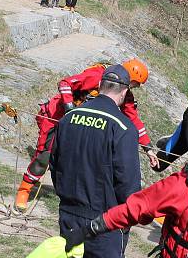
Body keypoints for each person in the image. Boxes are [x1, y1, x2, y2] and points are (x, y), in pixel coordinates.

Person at [47, 64, 141, 258]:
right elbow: (128, 184)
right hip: (106, 218)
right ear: (124, 92)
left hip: (70, 210)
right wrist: (127, 219)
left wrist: (65, 195)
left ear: (99, 85)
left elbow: (54, 161)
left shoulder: (69, 117)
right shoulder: (123, 128)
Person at [14, 58, 157, 211]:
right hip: (56, 116)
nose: (132, 88)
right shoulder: (98, 75)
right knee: (45, 157)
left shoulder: (124, 93)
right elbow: (65, 84)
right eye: (134, 84)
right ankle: (24, 191)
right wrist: (70, 110)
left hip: (79, 123)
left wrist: (148, 149)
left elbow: (133, 119)